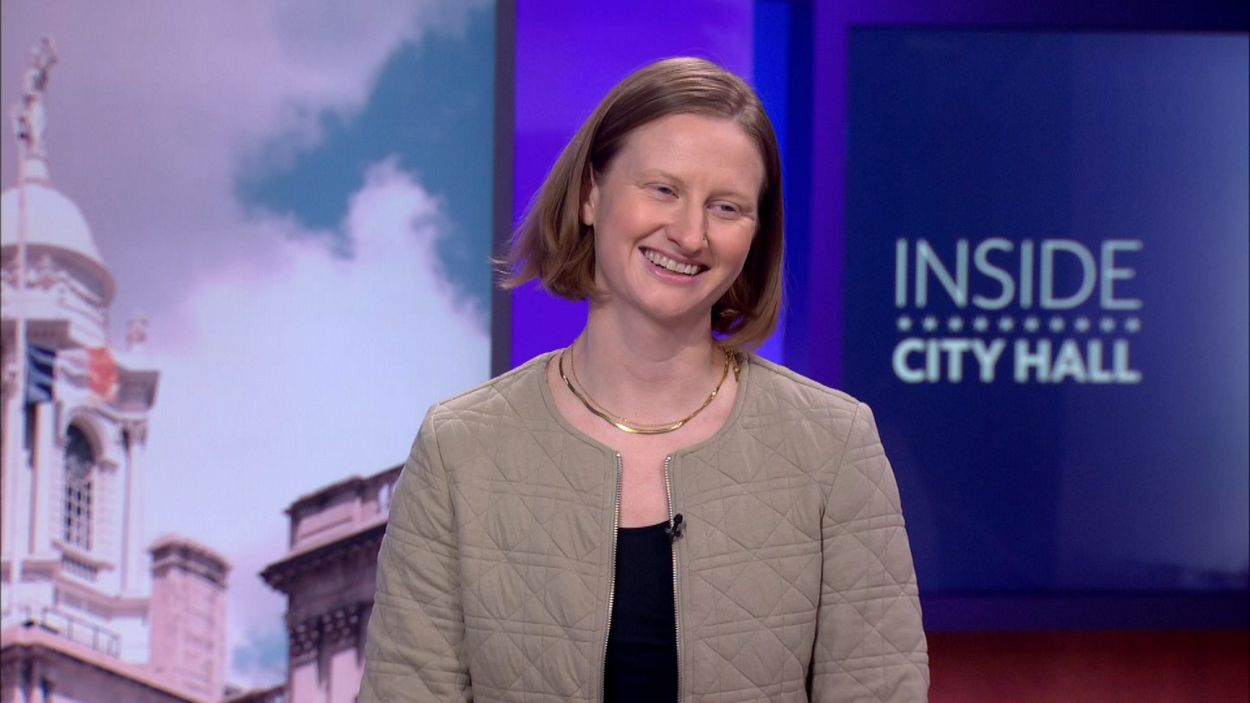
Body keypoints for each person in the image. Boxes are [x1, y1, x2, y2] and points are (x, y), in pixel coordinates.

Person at [360, 57, 928, 702]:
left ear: (755, 235)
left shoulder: (833, 444)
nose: (690, 234)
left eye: (727, 207)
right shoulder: (459, 448)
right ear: (590, 195)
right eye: (662, 190)